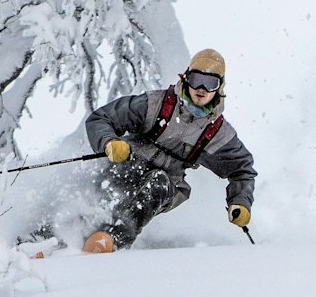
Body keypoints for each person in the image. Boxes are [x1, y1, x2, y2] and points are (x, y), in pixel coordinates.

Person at [82, 49, 256, 251]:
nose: (201, 89)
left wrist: (240, 202)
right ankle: (67, 230)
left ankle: (111, 240)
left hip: (167, 183)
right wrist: (109, 142)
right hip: (130, 163)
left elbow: (243, 170)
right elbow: (102, 118)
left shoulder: (217, 133)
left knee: (157, 183)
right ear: (186, 78)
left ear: (220, 87)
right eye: (196, 79)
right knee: (121, 176)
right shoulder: (155, 105)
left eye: (210, 83)